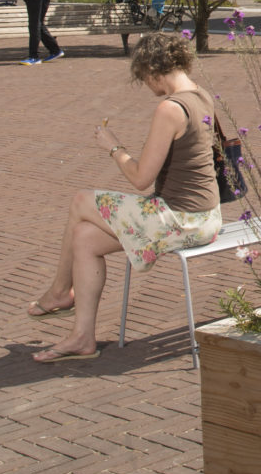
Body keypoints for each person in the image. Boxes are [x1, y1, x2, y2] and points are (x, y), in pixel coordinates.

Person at [29, 31, 223, 360]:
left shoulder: (171, 108)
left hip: (182, 218)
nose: (147, 86)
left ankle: (60, 291)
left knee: (81, 201)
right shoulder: (201, 95)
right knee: (84, 238)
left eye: (144, 78)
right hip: (206, 215)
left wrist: (113, 146)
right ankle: (82, 338)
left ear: (151, 69)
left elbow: (141, 178)